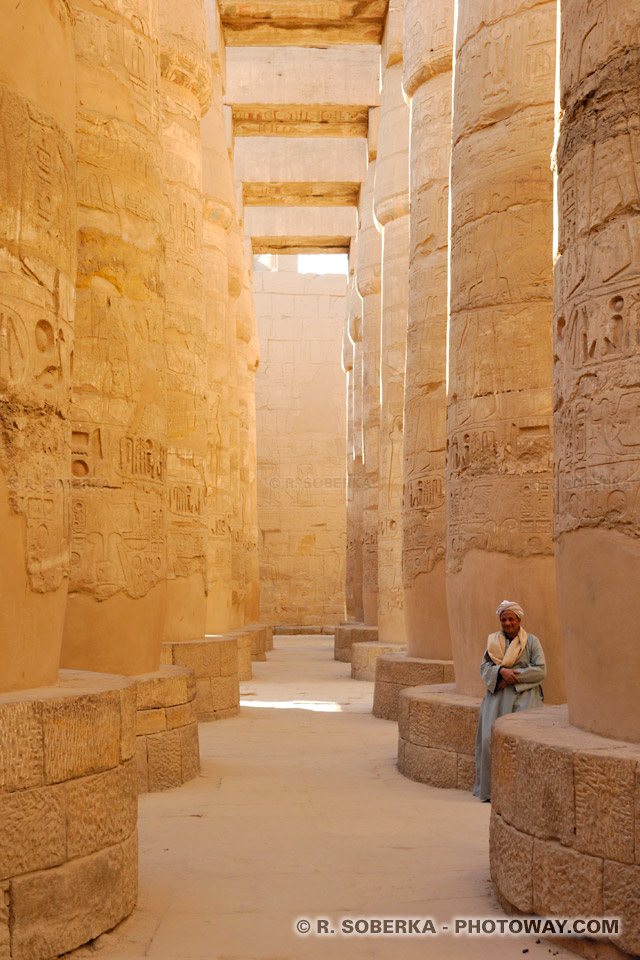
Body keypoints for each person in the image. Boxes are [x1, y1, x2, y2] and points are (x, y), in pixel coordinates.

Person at [473, 600, 546, 802]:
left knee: (518, 742)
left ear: (519, 620)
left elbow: (540, 670)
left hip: (524, 696)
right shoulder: (493, 643)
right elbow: (484, 668)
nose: (507, 623)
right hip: (497, 696)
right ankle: (489, 791)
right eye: (503, 620)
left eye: (511, 619)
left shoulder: (531, 642)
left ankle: (520, 794)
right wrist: (499, 672)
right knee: (489, 740)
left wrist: (511, 676)